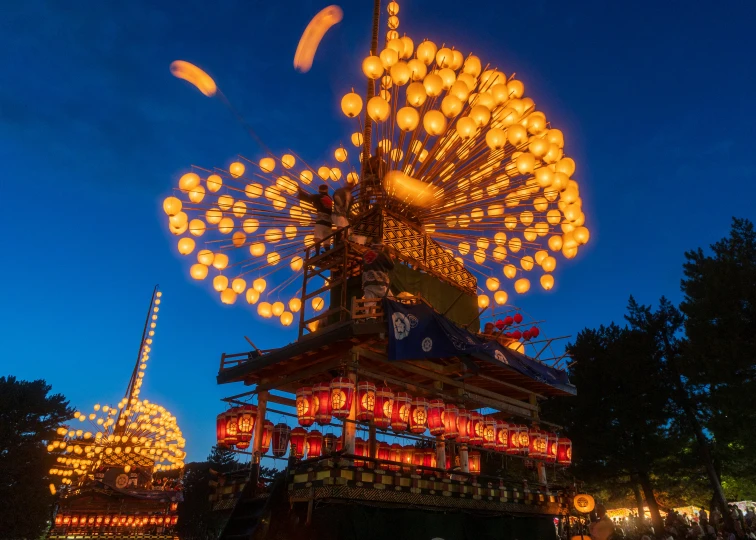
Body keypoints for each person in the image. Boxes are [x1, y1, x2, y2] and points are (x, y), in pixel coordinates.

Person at [298, 184, 333, 253]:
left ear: (319, 190)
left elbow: (308, 197)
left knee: (317, 237)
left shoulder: (318, 197)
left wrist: (300, 191)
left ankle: (317, 253)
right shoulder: (329, 199)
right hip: (329, 223)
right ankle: (329, 253)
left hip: (321, 220)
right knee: (327, 240)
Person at [361, 242, 394, 314]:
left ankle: (370, 319)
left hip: (367, 282)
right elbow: (391, 266)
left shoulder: (365, 254)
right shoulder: (381, 254)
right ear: (380, 246)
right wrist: (387, 253)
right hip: (379, 281)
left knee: (369, 302)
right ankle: (392, 315)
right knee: (391, 300)